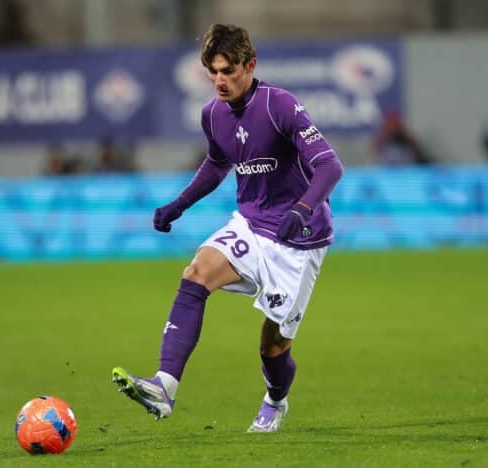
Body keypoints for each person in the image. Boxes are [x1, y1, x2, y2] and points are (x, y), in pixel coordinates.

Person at [111, 24, 344, 433]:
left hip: (298, 240)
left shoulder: (279, 106)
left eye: (228, 71)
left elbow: (330, 165)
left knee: (273, 345)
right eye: (213, 71)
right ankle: (164, 386)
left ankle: (275, 400)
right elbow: (218, 163)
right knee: (196, 272)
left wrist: (303, 208)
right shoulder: (213, 114)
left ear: (250, 65)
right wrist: (179, 204)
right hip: (251, 225)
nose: (220, 80)